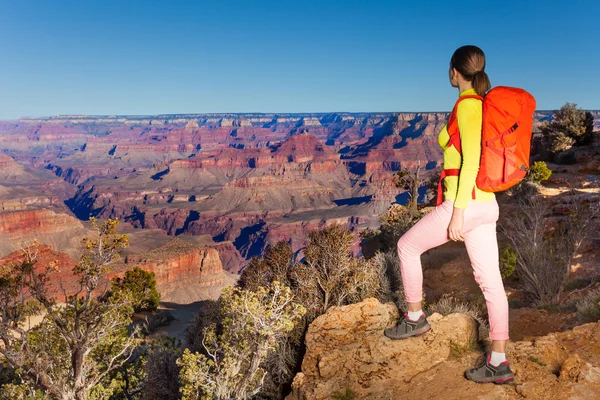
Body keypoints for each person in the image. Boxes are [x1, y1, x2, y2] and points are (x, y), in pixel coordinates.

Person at [383, 45, 514, 384]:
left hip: (466, 203)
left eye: (449, 68)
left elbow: (470, 160)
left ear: (455, 71)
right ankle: (498, 362)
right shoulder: (480, 105)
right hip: (486, 205)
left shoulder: (469, 107)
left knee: (407, 247)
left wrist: (457, 214)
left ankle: (415, 318)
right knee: (492, 283)